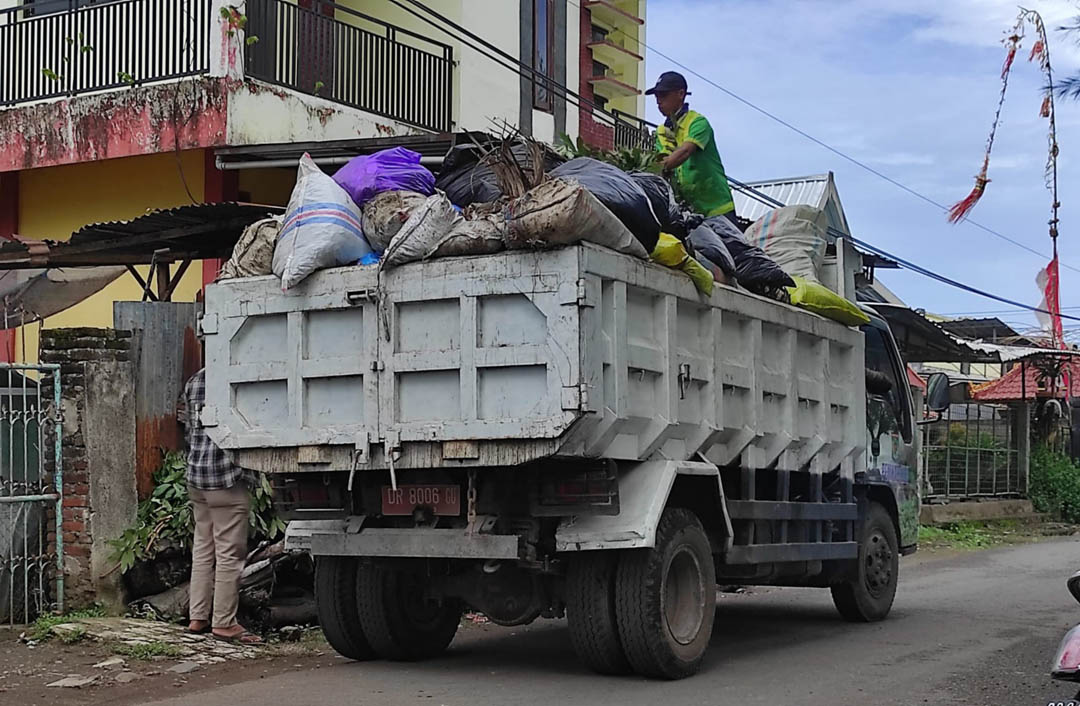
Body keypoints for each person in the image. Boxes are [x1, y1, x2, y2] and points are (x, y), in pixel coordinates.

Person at [178, 368, 262, 645]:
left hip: (197, 476)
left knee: (203, 548)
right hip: (226, 479)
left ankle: (197, 616)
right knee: (229, 554)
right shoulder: (238, 375)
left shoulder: (195, 381)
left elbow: (190, 432)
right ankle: (224, 623)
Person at [647, 71, 739, 226]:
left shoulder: (698, 123)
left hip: (718, 209)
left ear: (680, 94)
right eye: (656, 97)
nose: (658, 101)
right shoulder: (662, 131)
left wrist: (652, 171)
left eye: (663, 95)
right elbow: (664, 160)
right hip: (692, 213)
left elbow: (684, 152)